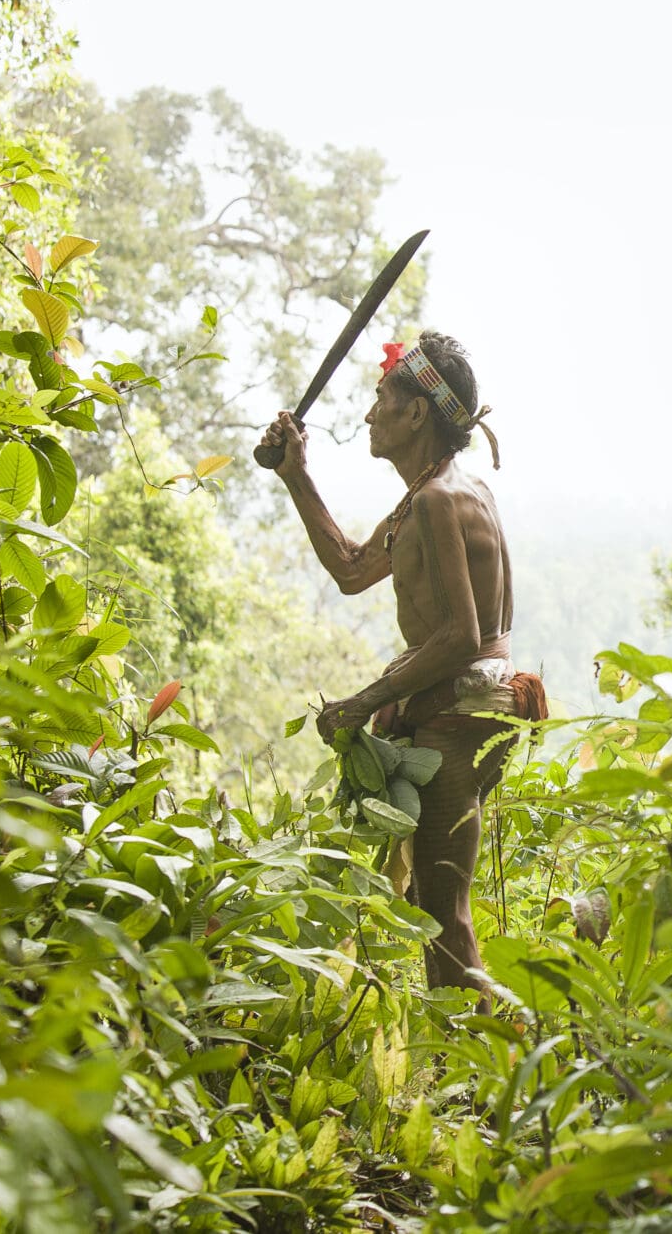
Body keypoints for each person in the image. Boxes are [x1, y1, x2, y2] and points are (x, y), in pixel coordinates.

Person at [261, 331, 545, 1000]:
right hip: (468, 711)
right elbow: (352, 569)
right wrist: (296, 474)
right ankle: (463, 1049)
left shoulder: (440, 499)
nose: (368, 413)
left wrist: (363, 702)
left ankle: (486, 1055)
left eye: (381, 397)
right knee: (431, 900)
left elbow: (460, 636)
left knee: (444, 914)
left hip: (459, 716)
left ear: (416, 413)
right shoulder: (431, 493)